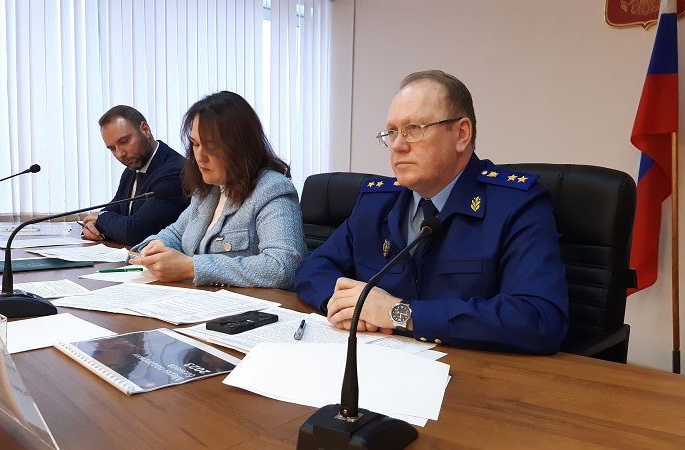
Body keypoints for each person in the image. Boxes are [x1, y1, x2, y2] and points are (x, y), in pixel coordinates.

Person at [294, 70, 569, 354]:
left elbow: (539, 317)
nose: (398, 145)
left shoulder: (515, 205)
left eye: (414, 129)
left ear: (461, 134)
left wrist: (400, 313)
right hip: (375, 359)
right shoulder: (376, 203)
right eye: (392, 132)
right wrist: (347, 305)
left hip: (470, 370)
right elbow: (313, 269)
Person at [128, 91, 306, 289]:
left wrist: (192, 267)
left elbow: (283, 267)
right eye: (195, 144)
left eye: (210, 146)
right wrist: (157, 247)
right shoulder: (208, 190)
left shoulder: (273, 189)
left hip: (247, 306)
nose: (199, 157)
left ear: (240, 146)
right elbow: (176, 234)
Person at [81, 105, 190, 245]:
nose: (120, 154)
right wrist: (92, 224)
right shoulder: (131, 169)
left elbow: (135, 232)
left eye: (124, 141)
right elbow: (114, 208)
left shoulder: (175, 171)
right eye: (112, 148)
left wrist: (100, 219)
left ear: (145, 129)